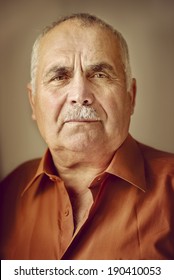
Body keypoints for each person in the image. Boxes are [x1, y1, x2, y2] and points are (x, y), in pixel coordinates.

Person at [0, 13, 174, 260]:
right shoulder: (8, 193)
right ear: (33, 101)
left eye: (100, 74)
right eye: (60, 77)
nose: (80, 94)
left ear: (130, 97)